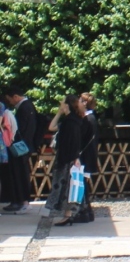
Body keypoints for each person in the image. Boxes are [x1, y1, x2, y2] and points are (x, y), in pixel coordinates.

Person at [45, 94, 87, 227]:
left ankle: (68, 215)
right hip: (66, 157)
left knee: (67, 187)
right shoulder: (70, 120)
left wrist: (75, 157)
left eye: (62, 103)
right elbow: (51, 127)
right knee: (68, 187)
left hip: (68, 158)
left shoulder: (71, 122)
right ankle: (68, 214)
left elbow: (74, 141)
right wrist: (59, 113)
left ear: (67, 105)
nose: (60, 105)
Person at [1, 86, 37, 214]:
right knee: (18, 174)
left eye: (9, 99)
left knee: (20, 174)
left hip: (20, 147)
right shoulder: (28, 106)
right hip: (24, 146)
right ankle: (19, 200)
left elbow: (20, 129)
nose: (10, 102)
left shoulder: (24, 108)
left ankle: (23, 201)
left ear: (15, 97)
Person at [74, 92, 99, 223]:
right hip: (89, 156)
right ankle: (87, 211)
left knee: (81, 185)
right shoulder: (91, 118)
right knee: (83, 184)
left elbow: (81, 138)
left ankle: (84, 212)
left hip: (84, 156)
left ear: (84, 103)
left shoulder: (87, 119)